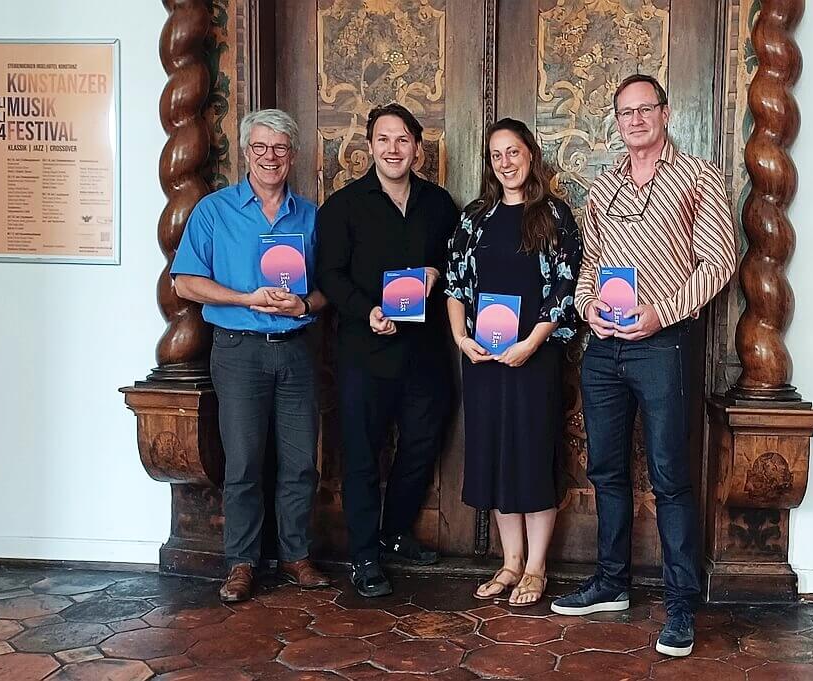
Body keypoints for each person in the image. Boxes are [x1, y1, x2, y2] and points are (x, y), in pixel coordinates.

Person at [549, 75, 738, 657]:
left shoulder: (699, 178)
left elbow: (718, 262)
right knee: (605, 468)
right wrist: (587, 310)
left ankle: (681, 602)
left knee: (669, 476)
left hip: (664, 345)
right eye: (624, 112)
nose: (634, 120)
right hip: (605, 348)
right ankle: (612, 583)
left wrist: (663, 313)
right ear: (616, 121)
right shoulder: (603, 185)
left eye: (644, 109)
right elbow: (587, 268)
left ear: (666, 111)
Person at [170, 108, 330, 602]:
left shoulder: (310, 216)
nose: (269, 157)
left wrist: (304, 303)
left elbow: (330, 288)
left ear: (293, 155)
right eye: (260, 147)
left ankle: (296, 556)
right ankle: (241, 563)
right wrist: (245, 298)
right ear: (245, 153)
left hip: (297, 351)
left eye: (280, 148)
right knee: (242, 463)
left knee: (301, 462)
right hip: (238, 352)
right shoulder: (214, 211)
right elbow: (184, 281)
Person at [315, 103, 460, 597]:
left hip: (425, 352)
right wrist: (366, 310)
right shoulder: (343, 206)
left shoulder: (440, 205)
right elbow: (329, 275)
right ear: (370, 147)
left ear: (418, 147)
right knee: (361, 454)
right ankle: (363, 555)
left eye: (403, 140)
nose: (393, 149)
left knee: (420, 445)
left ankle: (396, 533)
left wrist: (438, 274)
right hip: (364, 351)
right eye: (383, 139)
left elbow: (455, 262)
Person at [445, 118, 583, 606]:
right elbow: (455, 283)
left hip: (534, 358)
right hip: (482, 359)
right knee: (496, 457)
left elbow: (566, 286)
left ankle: (537, 569)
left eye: (514, 152)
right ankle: (510, 563)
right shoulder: (473, 218)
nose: (506, 163)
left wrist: (533, 342)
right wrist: (461, 337)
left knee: (529, 456)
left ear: (531, 156)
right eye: (497, 155)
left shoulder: (554, 216)